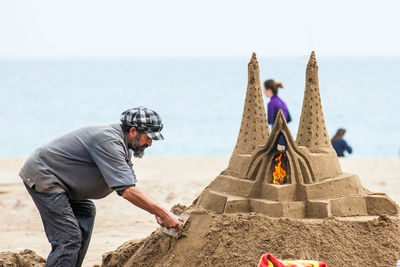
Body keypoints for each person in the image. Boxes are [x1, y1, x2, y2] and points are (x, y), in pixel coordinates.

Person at [19, 106, 182, 267]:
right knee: (68, 238)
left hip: (62, 183)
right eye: (148, 137)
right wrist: (160, 212)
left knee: (86, 211)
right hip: (44, 176)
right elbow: (126, 190)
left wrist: (157, 210)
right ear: (133, 131)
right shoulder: (108, 141)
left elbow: (130, 183)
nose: (150, 143)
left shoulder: (122, 146)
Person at [263, 79, 292, 150]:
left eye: (264, 89)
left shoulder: (271, 103)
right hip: (286, 136)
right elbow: (289, 119)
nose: (263, 92)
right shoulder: (282, 102)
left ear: (269, 90)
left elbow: (269, 121)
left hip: (277, 136)